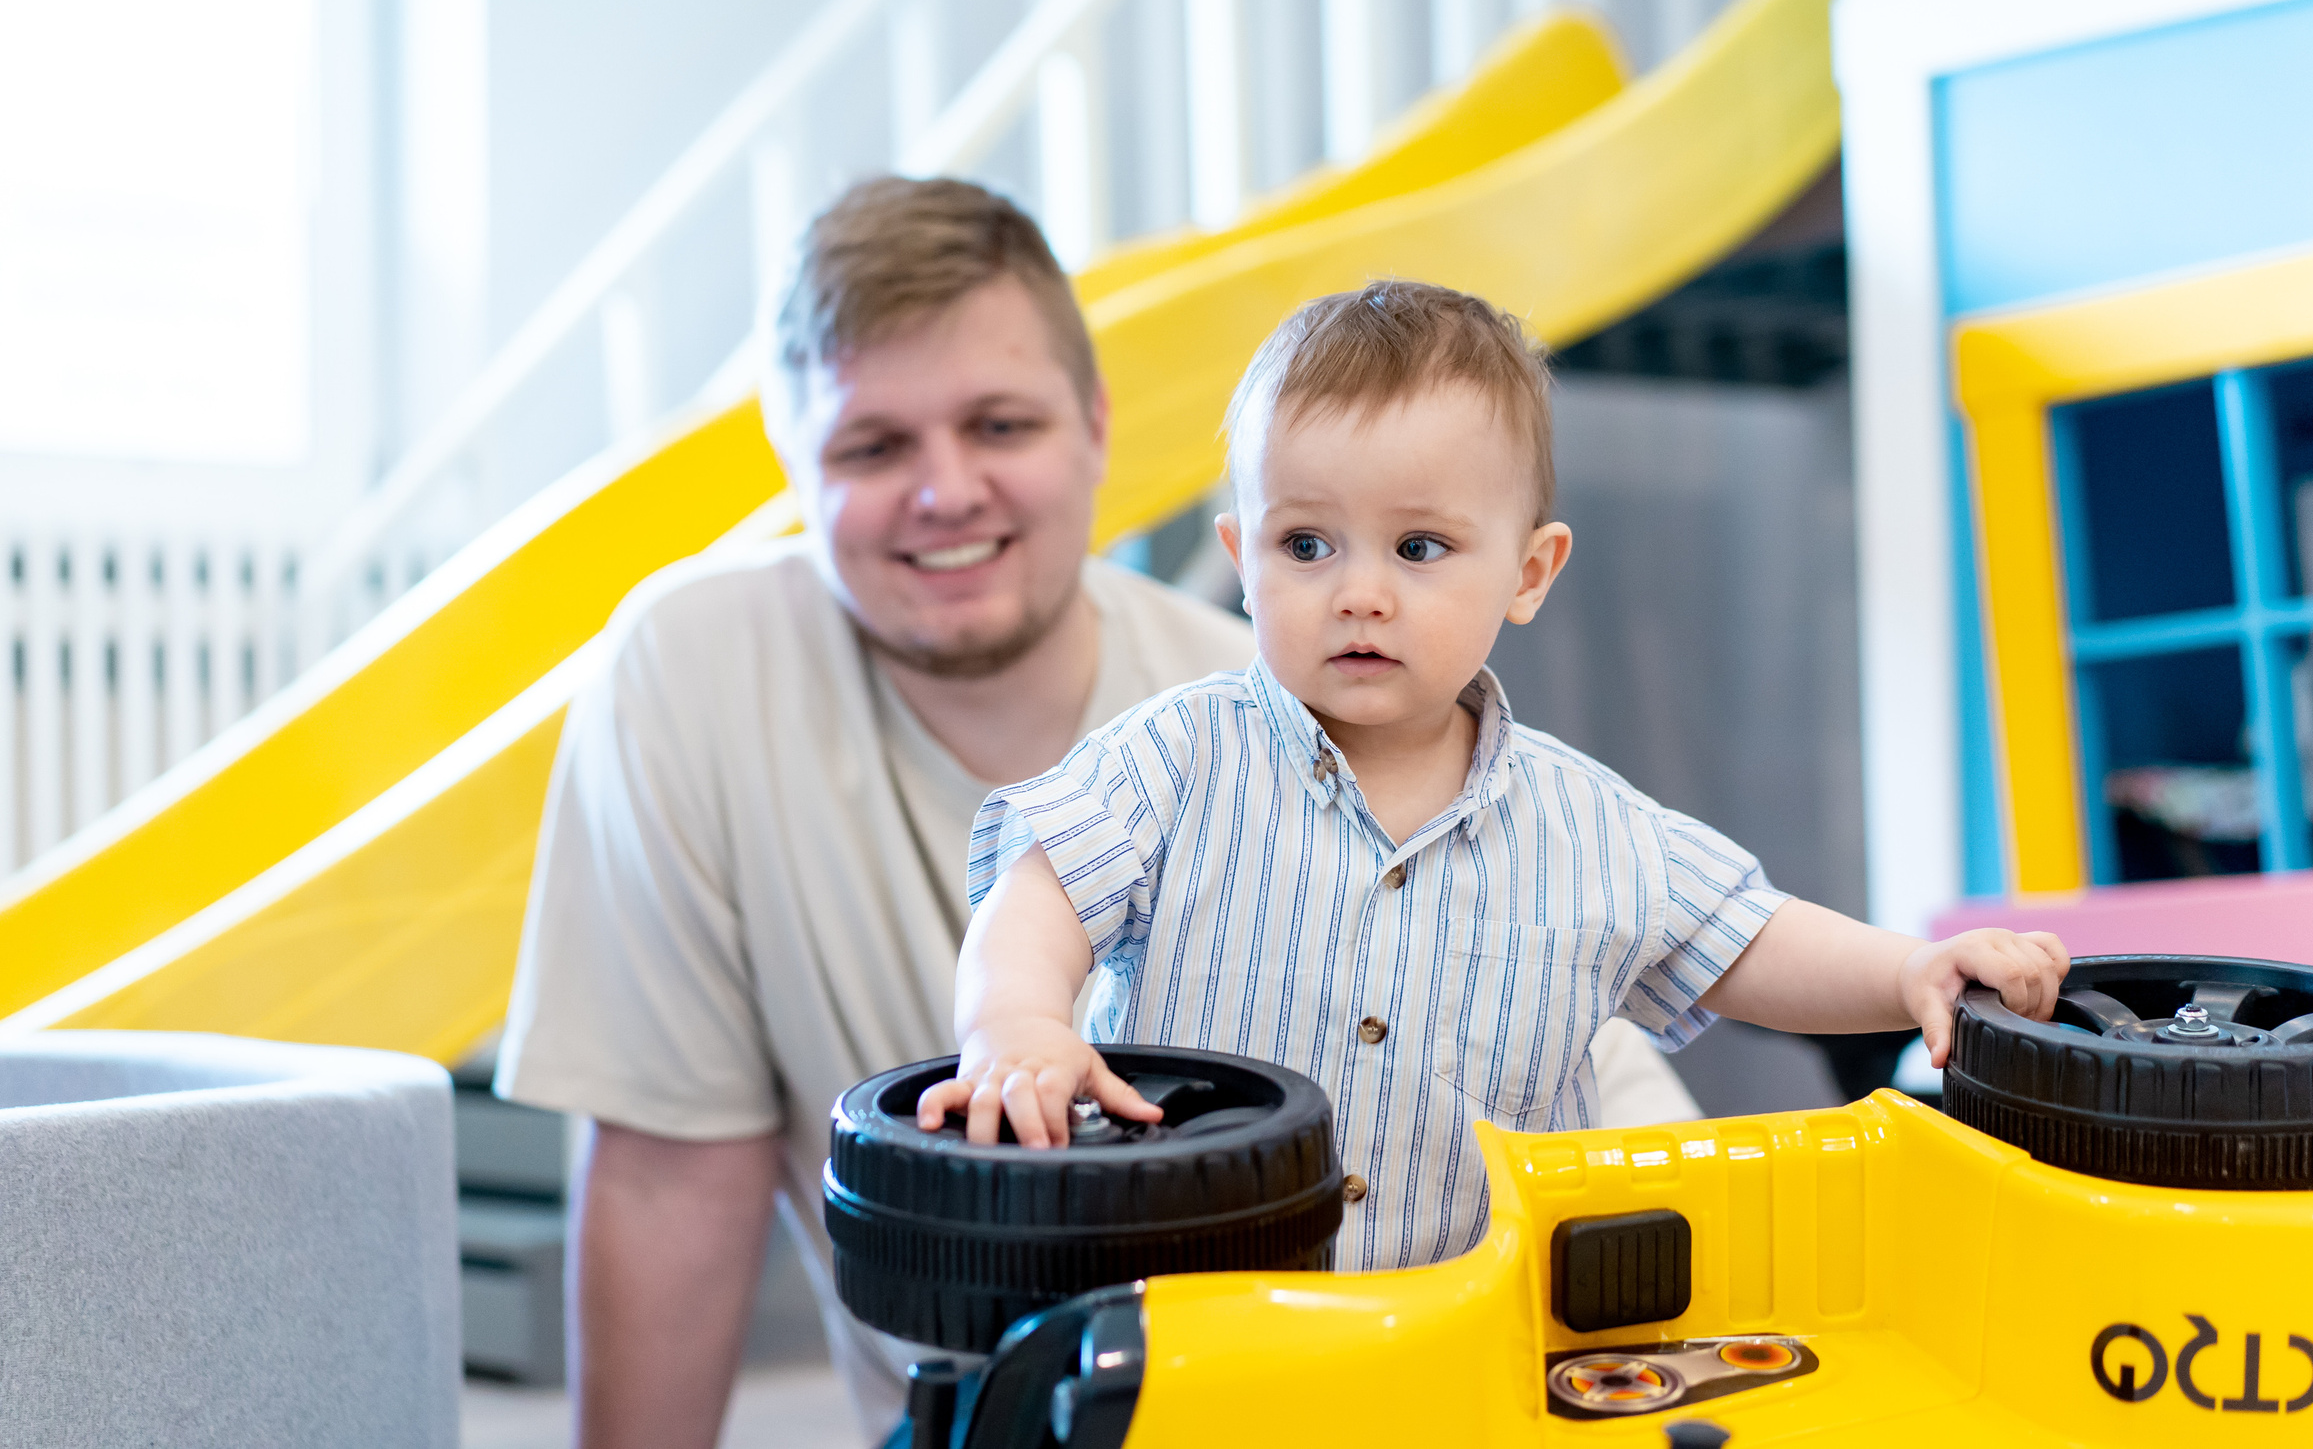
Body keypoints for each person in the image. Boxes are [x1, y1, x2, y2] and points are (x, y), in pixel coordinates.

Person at [494, 182, 1700, 1448]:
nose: (944, 491)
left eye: (999, 423)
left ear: (1094, 430)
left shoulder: (1284, 697)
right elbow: (670, 1171)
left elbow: (1593, 1073)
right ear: (798, 464)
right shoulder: (692, 675)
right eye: (872, 447)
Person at [920, 280, 2071, 1268]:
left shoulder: (1589, 826)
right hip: (1202, 1310)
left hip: (1484, 1332)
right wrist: (1016, 1020)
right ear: (1241, 556)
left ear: (1529, 571)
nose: (1358, 593)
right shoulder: (1172, 761)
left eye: (1420, 549)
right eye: (1305, 545)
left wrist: (1911, 968)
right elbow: (1039, 891)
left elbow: (1749, 939)